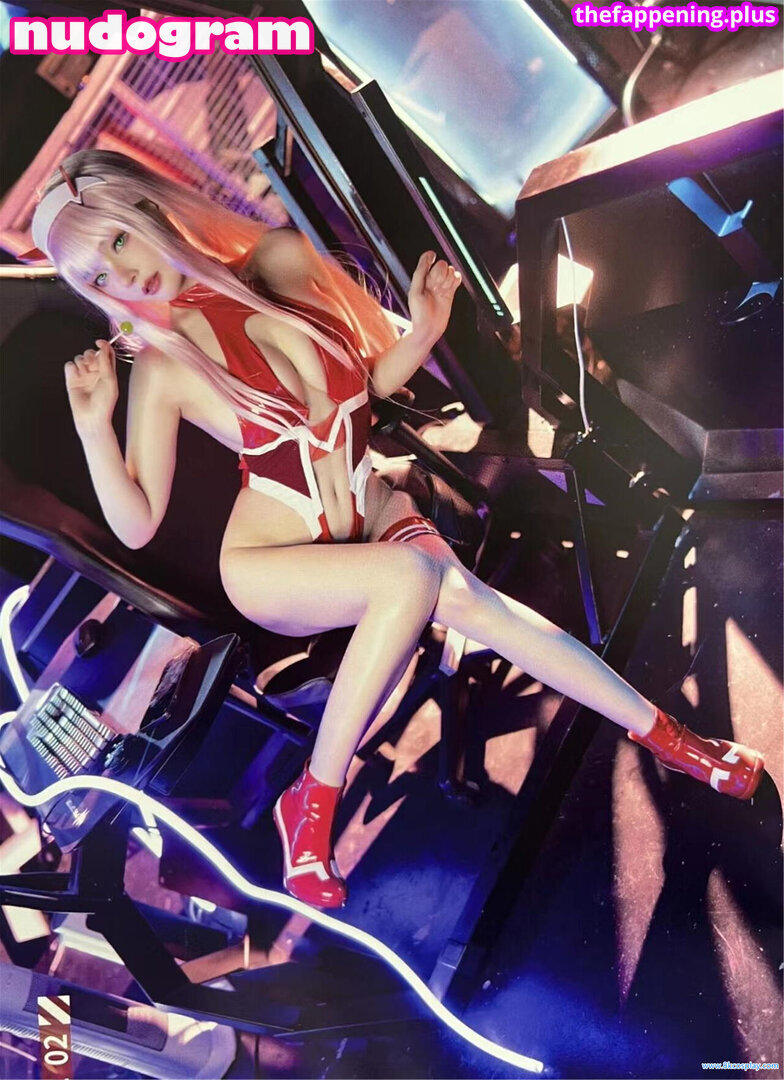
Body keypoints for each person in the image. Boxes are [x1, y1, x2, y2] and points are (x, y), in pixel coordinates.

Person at [23, 149, 764, 910]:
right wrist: (93, 429)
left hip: (362, 504)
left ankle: (671, 738)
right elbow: (136, 525)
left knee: (478, 607)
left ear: (147, 210)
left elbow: (367, 387)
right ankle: (312, 798)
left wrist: (425, 330)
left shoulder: (278, 260)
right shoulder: (163, 368)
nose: (124, 275)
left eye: (117, 241)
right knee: (415, 577)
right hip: (269, 561)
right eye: (98, 277)